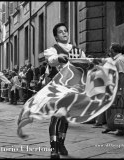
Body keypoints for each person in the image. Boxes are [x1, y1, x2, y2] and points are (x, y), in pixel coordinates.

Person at [43, 22, 86, 158]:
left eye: (65, 31)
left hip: (72, 88)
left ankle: (61, 143)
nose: (64, 33)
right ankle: (54, 147)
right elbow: (51, 60)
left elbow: (84, 66)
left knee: (65, 117)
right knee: (56, 117)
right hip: (57, 88)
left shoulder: (77, 51)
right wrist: (58, 58)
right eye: (60, 32)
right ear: (56, 36)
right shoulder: (52, 49)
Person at [102, 43, 124, 136]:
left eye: (110, 50)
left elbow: (121, 75)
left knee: (120, 107)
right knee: (114, 106)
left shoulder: (120, 60)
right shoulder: (117, 59)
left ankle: (121, 129)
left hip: (120, 85)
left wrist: (120, 90)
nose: (109, 51)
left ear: (113, 50)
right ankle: (112, 126)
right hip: (116, 85)